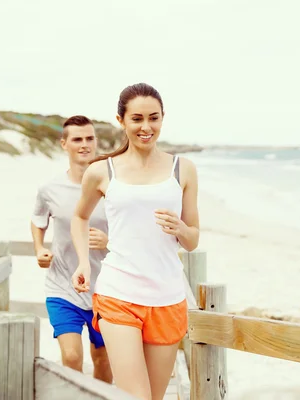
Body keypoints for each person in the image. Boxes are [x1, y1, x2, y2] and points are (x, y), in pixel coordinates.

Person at [70, 83, 200, 400]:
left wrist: (181, 228)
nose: (146, 127)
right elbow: (79, 217)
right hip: (119, 293)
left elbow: (193, 239)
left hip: (167, 297)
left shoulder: (183, 169)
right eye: (137, 119)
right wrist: (84, 262)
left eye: (153, 118)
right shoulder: (102, 171)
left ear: (162, 119)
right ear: (121, 120)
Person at [30, 115, 112, 383]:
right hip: (63, 286)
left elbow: (133, 230)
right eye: (77, 139)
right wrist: (40, 248)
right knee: (72, 356)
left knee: (103, 359)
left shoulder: (114, 186)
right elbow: (37, 219)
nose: (84, 144)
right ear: (64, 144)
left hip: (107, 290)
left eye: (90, 138)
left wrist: (109, 242)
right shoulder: (49, 188)